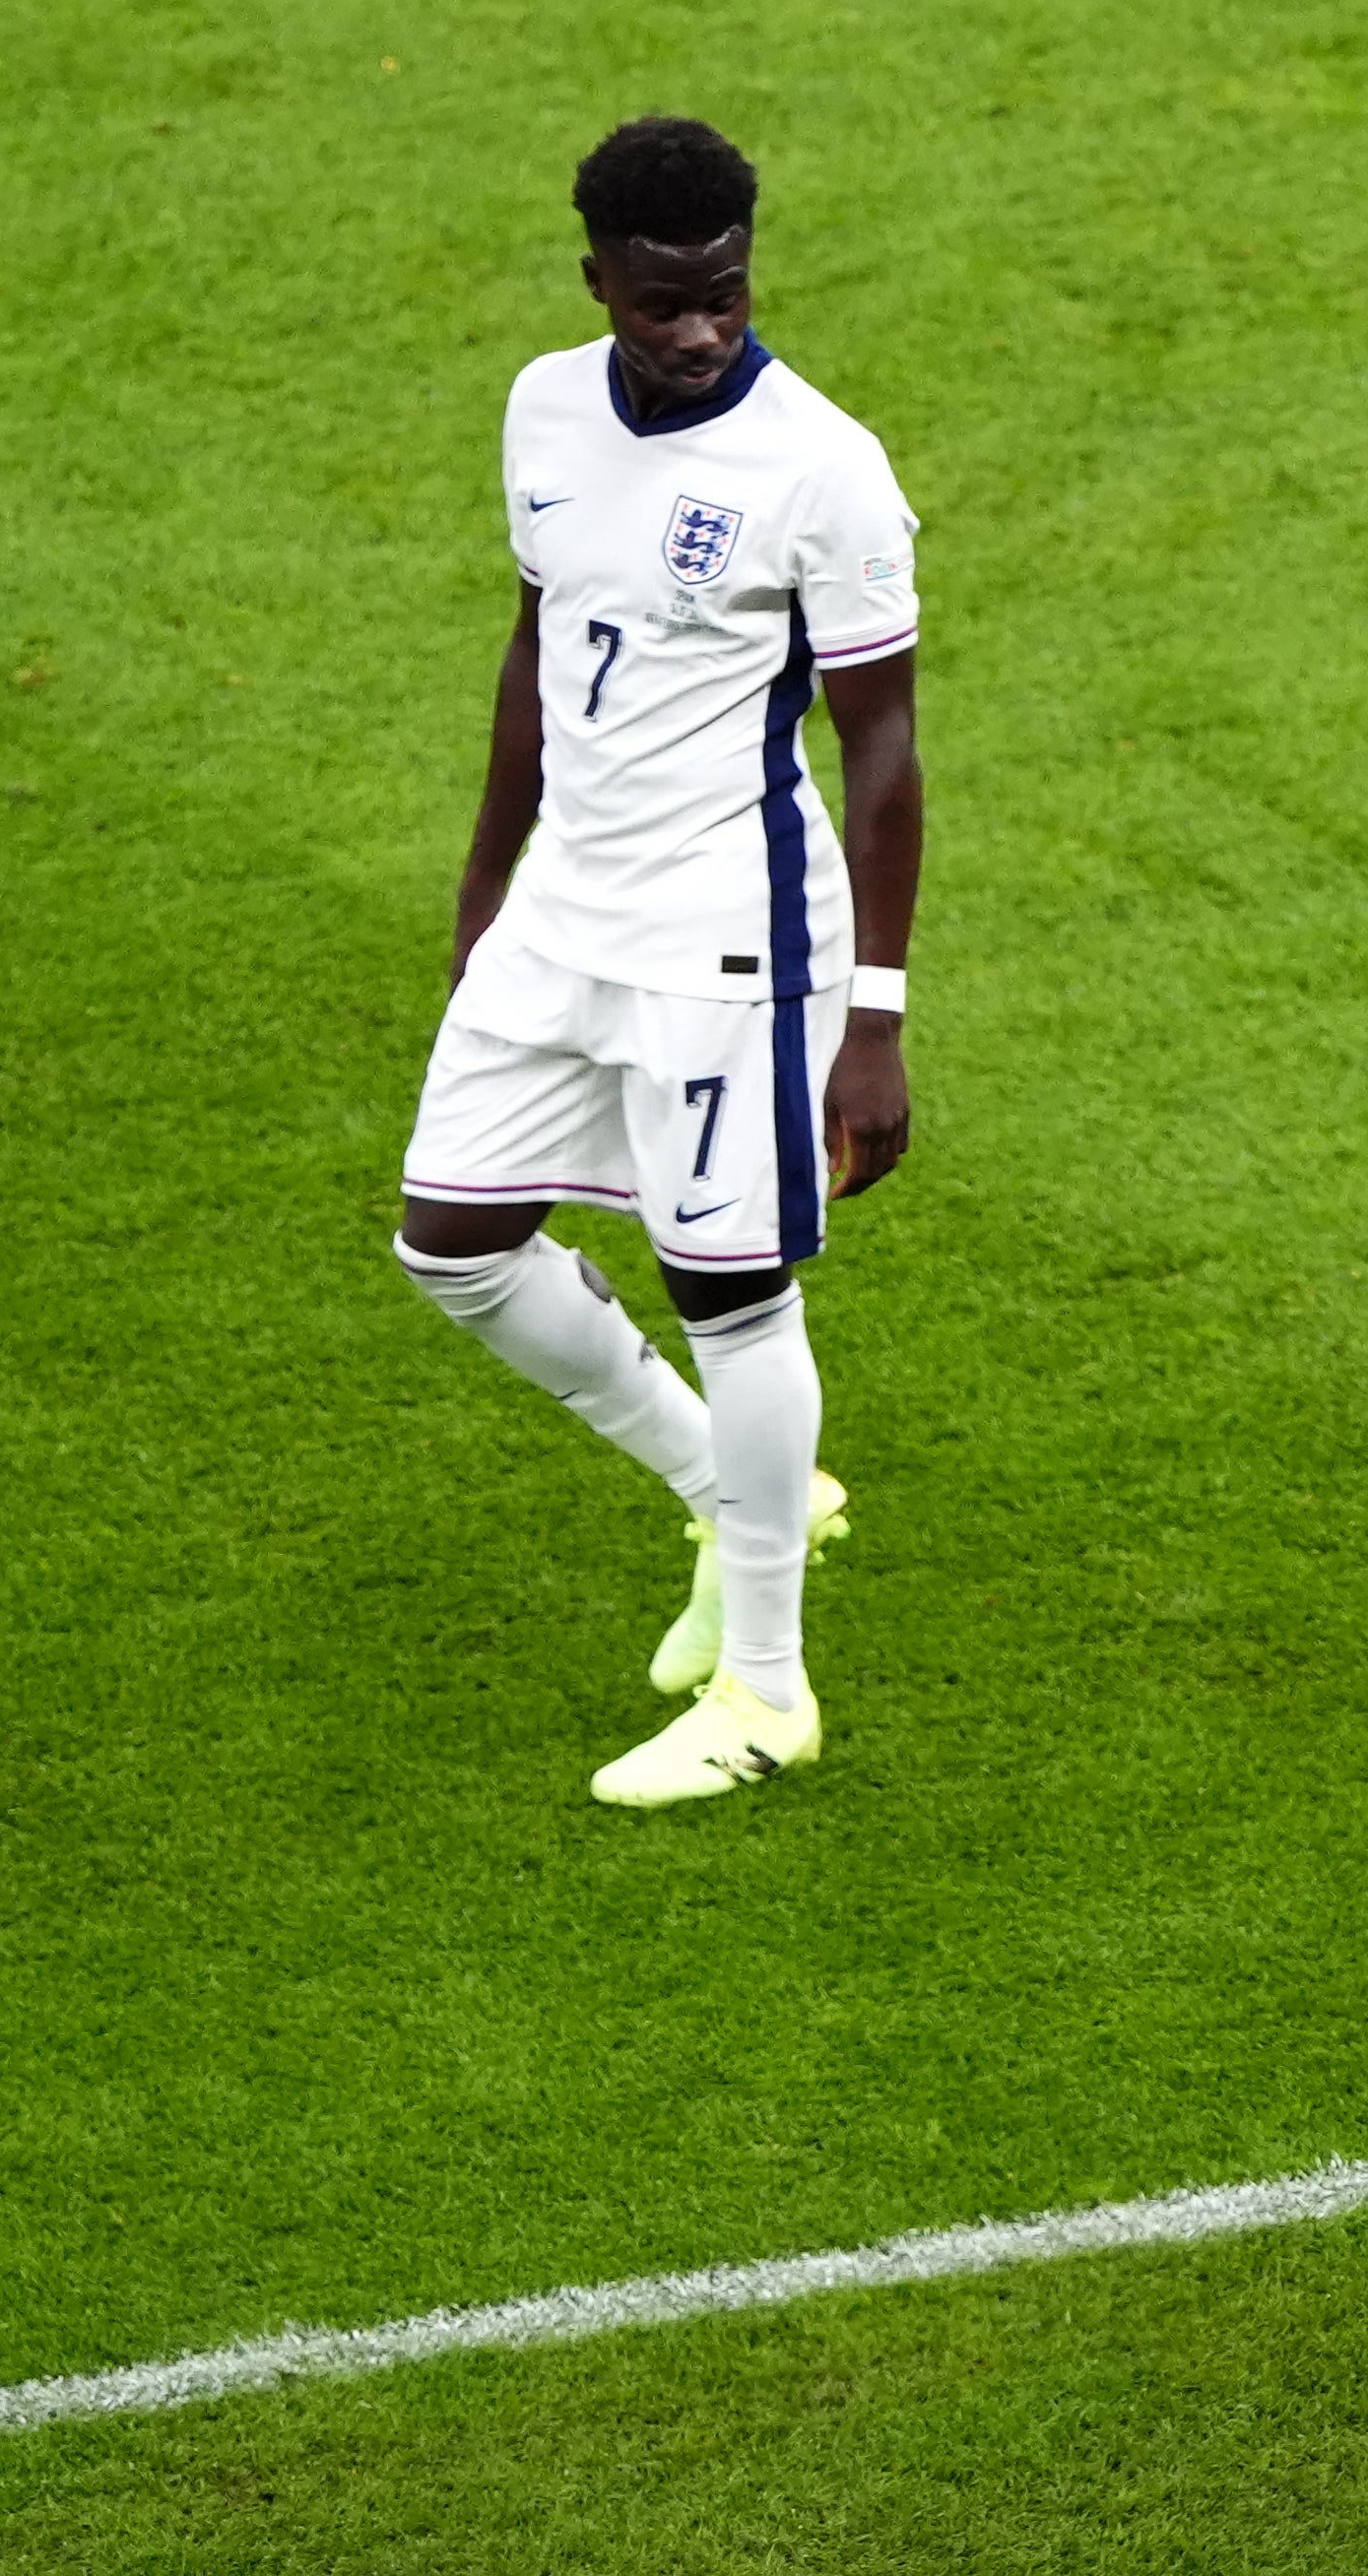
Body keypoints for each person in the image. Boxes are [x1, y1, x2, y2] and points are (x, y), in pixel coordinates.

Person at [392, 116, 924, 1809]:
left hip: (727, 931)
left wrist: (875, 1021)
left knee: (730, 1291)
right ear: (596, 280)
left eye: (724, 296)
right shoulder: (544, 407)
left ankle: (765, 1692)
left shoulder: (822, 468)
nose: (698, 333)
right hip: (564, 914)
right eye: (659, 303)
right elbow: (538, 641)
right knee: (451, 1239)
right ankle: (732, 1484)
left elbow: (886, 751)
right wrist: (490, 874)